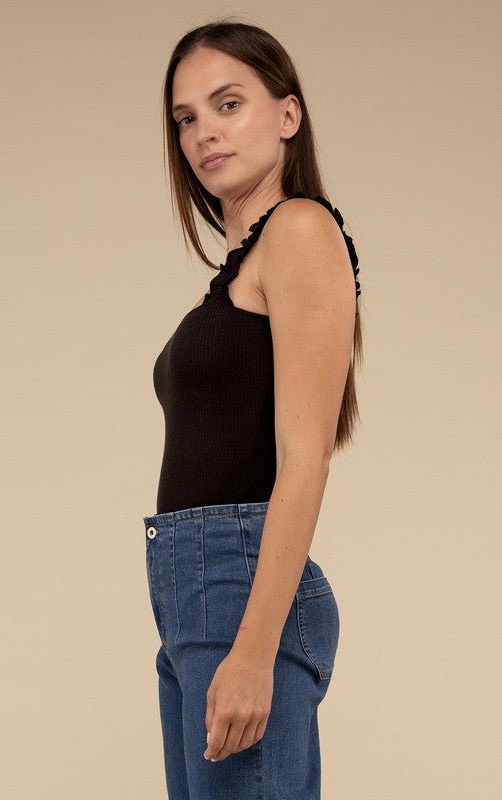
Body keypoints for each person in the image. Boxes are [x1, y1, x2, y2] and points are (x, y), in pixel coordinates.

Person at [143, 19, 363, 800]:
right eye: (186, 118)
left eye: (227, 103)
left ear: (287, 115)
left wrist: (254, 649)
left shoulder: (300, 230)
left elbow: (305, 455)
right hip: (193, 595)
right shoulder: (240, 268)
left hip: (239, 591)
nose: (203, 132)